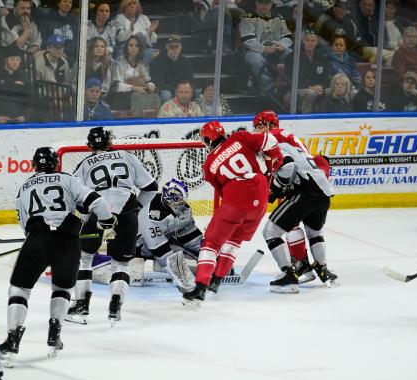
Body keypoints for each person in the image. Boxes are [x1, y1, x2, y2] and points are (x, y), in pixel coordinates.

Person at [0, 147, 116, 360]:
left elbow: (23, 223)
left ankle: (13, 339)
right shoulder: (68, 179)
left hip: (37, 240)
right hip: (68, 241)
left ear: (34, 165)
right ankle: (55, 334)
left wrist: (37, 239)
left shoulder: (24, 187)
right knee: (62, 289)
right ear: (56, 163)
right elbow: (96, 201)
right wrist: (107, 222)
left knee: (19, 289)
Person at [181, 121, 283, 305]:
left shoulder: (209, 165)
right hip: (260, 199)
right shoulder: (240, 137)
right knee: (234, 241)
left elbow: (223, 193)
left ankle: (201, 287)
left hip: (235, 200)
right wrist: (275, 159)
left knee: (211, 244)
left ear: (207, 139)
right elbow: (270, 139)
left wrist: (222, 218)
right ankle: (217, 281)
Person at [67, 126, 158, 324]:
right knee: (121, 263)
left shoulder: (84, 164)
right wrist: (136, 208)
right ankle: (115, 306)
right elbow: (151, 187)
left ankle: (81, 306)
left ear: (89, 146)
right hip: (127, 212)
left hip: (97, 212)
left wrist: (82, 219)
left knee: (83, 258)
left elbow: (77, 198)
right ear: (110, 141)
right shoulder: (127, 156)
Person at [253, 109, 332, 284]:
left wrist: (274, 189)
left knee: (271, 231)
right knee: (313, 231)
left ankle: (289, 273)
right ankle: (321, 268)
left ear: (269, 125)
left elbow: (287, 166)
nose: (257, 132)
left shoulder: (272, 138)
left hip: (303, 189)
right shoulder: (288, 136)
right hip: (322, 190)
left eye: (259, 127)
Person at [135, 179, 203, 289]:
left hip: (162, 244)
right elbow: (160, 250)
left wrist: (207, 253)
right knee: (176, 257)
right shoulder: (153, 216)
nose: (182, 203)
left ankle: (160, 266)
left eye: (182, 199)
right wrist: (185, 278)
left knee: (185, 255)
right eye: (178, 200)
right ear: (169, 198)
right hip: (139, 248)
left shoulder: (182, 209)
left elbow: (190, 236)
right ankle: (161, 266)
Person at [239, 0, 293, 96]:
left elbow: (288, 36)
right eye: (261, 3)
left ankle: (289, 85)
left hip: (276, 49)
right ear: (256, 3)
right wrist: (264, 48)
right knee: (257, 60)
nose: (264, 6)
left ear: (271, 4)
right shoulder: (248, 18)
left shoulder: (278, 17)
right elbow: (247, 40)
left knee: (290, 54)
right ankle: (270, 87)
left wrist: (282, 45)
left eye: (267, 3)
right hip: (254, 51)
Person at [108, 35, 160, 115]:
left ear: (140, 48)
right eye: (131, 45)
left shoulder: (143, 63)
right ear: (127, 47)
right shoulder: (119, 61)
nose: (133, 48)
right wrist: (134, 88)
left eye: (136, 45)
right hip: (121, 94)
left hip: (139, 90)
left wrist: (151, 85)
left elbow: (148, 80)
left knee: (155, 97)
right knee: (139, 98)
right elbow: (116, 86)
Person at [0, 46, 33, 124]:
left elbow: (31, 100)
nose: (15, 62)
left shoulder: (24, 77)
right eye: (12, 59)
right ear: (5, 59)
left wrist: (24, 116)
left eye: (17, 59)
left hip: (19, 121)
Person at [288, 30, 331, 113]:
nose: (310, 43)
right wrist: (310, 87)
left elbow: (326, 77)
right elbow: (289, 78)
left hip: (317, 89)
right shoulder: (294, 56)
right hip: (294, 90)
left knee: (330, 91)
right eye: (307, 40)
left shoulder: (322, 58)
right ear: (303, 41)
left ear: (317, 42)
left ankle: (324, 119)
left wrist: (322, 86)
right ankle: (305, 119)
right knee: (311, 93)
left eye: (312, 41)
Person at [150, 35, 194, 103]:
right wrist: (176, 90)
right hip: (166, 90)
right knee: (166, 94)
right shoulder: (157, 61)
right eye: (172, 47)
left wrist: (182, 90)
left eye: (177, 47)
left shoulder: (185, 61)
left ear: (180, 47)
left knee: (193, 91)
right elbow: (158, 82)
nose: (174, 49)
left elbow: (190, 78)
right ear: (167, 47)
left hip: (182, 89)